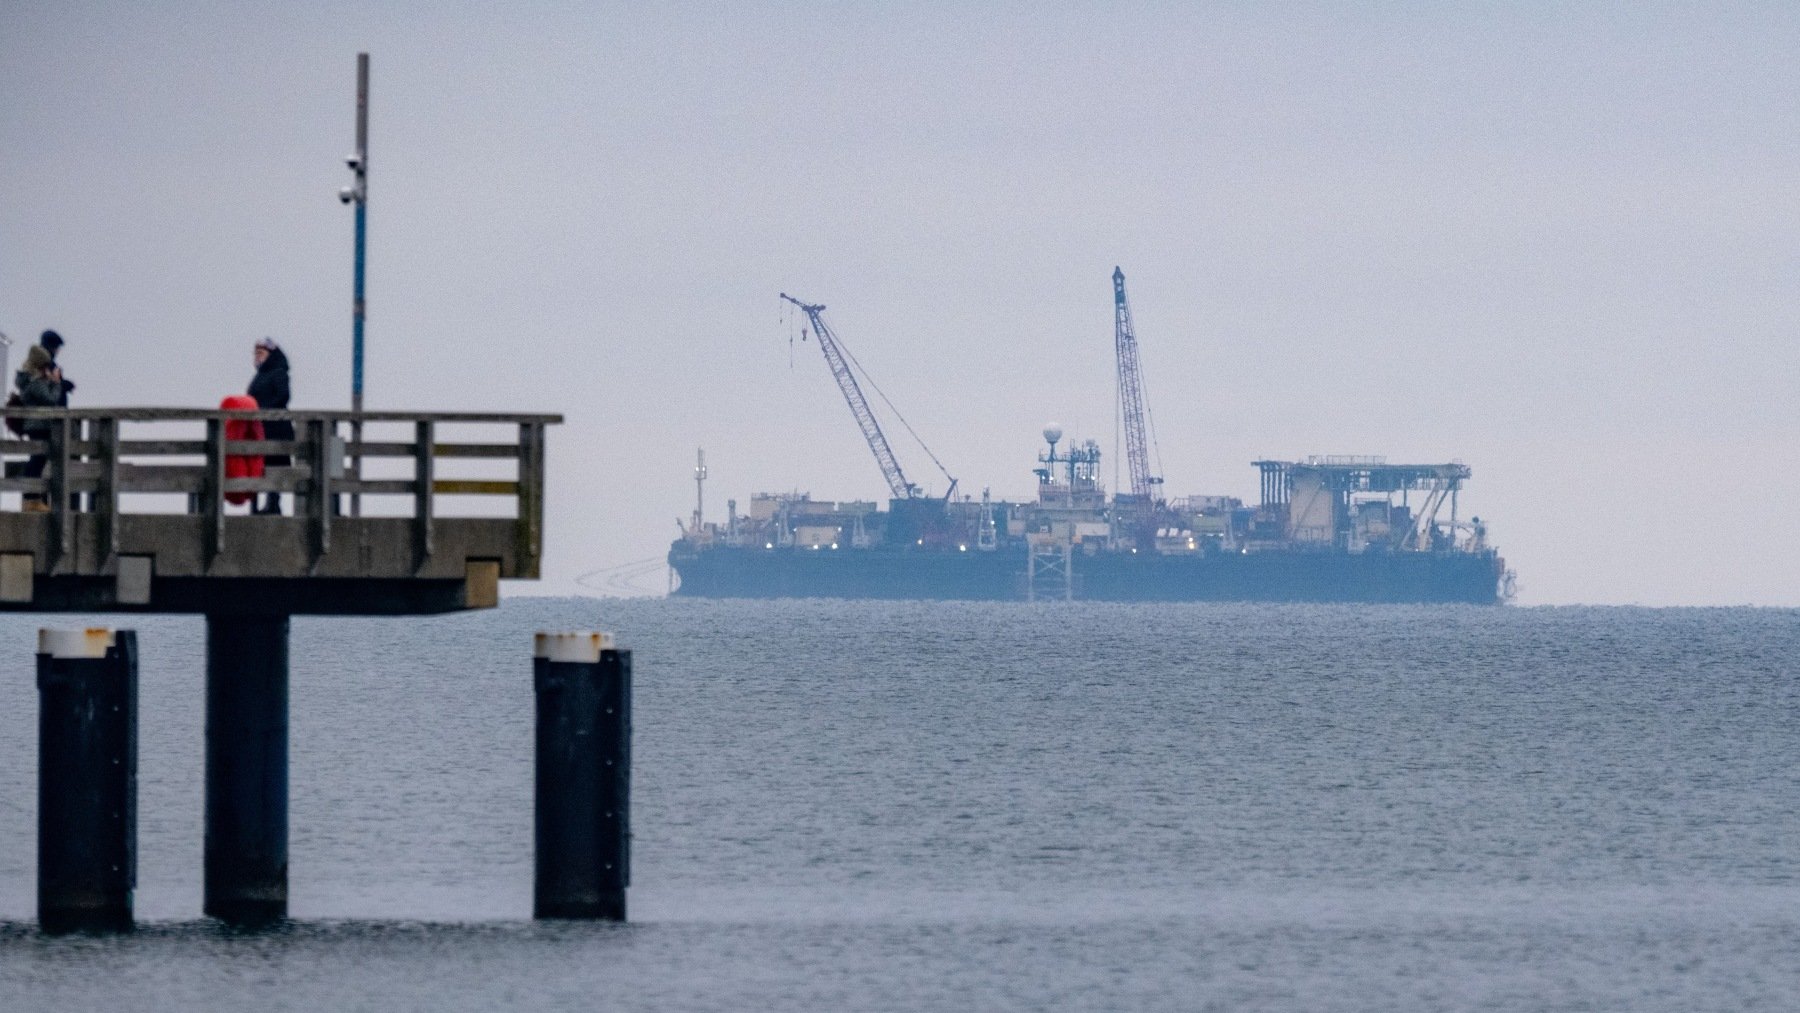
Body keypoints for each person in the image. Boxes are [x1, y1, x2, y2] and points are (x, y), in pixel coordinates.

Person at [247, 337, 292, 515]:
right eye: (256, 354)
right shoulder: (260, 375)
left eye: (261, 353)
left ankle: (273, 504)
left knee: (275, 466)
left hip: (276, 429)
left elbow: (283, 396)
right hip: (261, 428)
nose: (257, 357)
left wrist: (264, 410)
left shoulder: (279, 372)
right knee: (259, 465)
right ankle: (257, 505)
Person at [19, 359, 71, 512]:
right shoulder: (36, 384)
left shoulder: (36, 383)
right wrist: (56, 383)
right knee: (36, 461)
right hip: (37, 426)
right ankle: (31, 499)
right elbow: (51, 400)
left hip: (38, 426)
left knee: (38, 461)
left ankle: (33, 499)